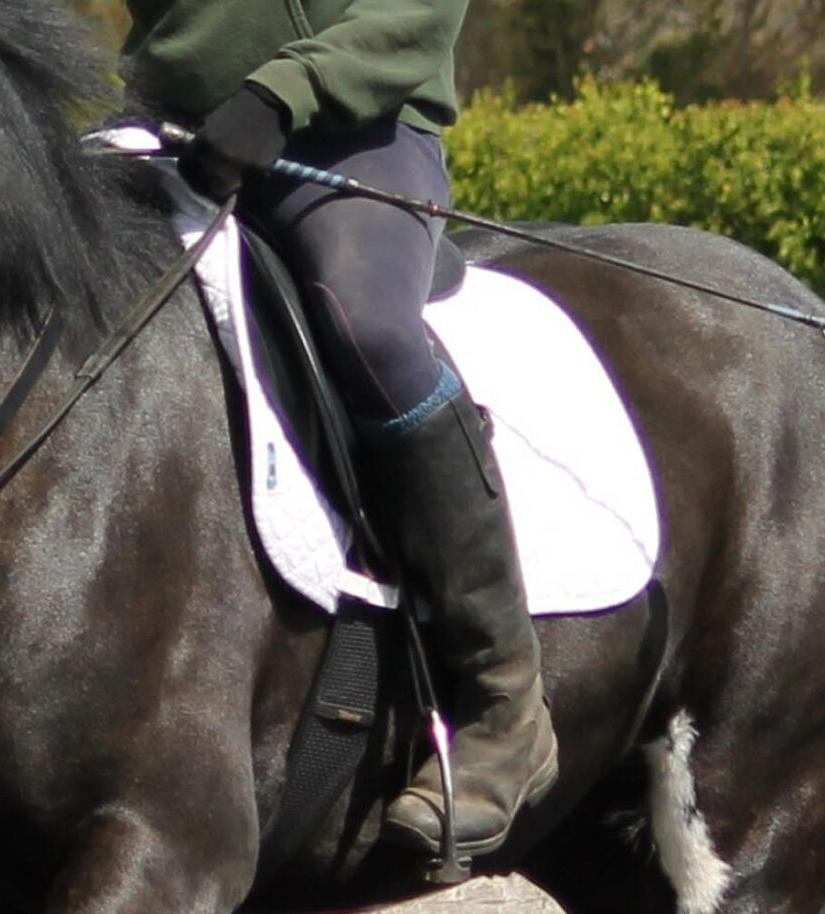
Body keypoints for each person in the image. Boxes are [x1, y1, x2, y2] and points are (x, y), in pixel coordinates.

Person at [121, 0, 558, 860]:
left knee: (370, 330)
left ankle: (503, 698)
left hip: (353, 131)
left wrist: (282, 92)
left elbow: (417, 13)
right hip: (172, 131)